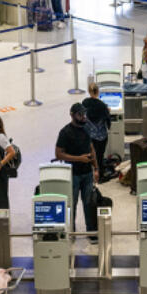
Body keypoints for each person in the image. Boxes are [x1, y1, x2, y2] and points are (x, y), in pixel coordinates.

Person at [55, 103, 99, 240]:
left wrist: (96, 168)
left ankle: (91, 233)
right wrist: (79, 159)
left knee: (89, 203)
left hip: (87, 174)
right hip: (72, 174)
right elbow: (58, 154)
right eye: (80, 114)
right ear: (73, 115)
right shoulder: (65, 132)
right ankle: (71, 233)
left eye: (84, 114)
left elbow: (92, 149)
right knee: (71, 205)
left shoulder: (86, 129)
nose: (83, 116)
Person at [82, 83, 111, 174]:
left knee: (90, 152)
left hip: (89, 135)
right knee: (100, 154)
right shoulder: (102, 105)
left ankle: (91, 169)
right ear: (98, 92)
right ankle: (100, 170)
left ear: (89, 91)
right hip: (101, 136)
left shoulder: (85, 102)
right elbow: (108, 121)